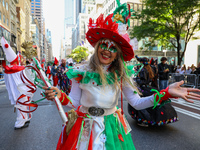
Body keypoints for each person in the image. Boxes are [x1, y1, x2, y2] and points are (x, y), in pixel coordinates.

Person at [42, 13, 200, 150]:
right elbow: (74, 102)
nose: (107, 50)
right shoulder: (81, 72)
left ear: (117, 54)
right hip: (85, 128)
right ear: (97, 47)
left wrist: (165, 93)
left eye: (113, 48)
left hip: (111, 127)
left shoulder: (120, 75)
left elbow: (136, 102)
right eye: (104, 45)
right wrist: (59, 95)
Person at [128, 56, 177, 127]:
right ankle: (156, 119)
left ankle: (145, 120)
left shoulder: (142, 70)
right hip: (150, 87)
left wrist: (136, 80)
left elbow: (142, 81)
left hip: (143, 88)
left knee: (141, 103)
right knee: (152, 102)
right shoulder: (151, 68)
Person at [1, 37, 34, 129]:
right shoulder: (19, 68)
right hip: (21, 90)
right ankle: (20, 122)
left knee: (22, 105)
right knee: (22, 106)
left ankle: (24, 120)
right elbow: (26, 78)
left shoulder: (7, 69)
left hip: (16, 91)